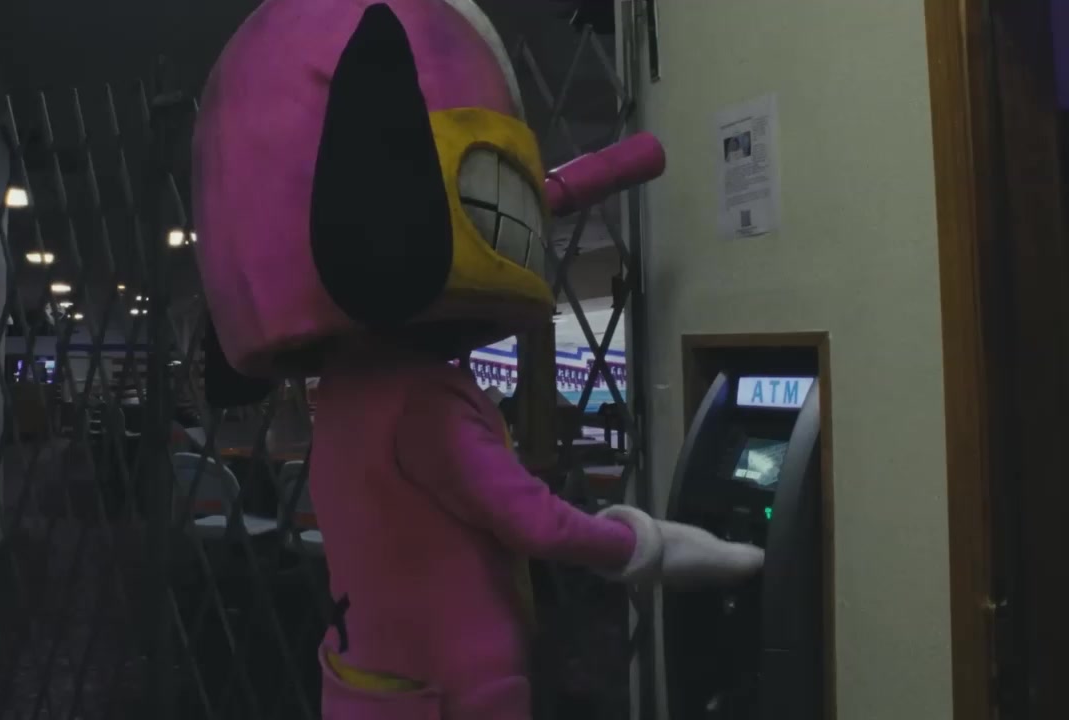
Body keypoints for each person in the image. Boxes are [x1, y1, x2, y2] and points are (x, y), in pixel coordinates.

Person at [192, 2, 763, 718]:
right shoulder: (424, 401)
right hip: (456, 691)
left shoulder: (336, 393)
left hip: (366, 679)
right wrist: (659, 548)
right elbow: (534, 523)